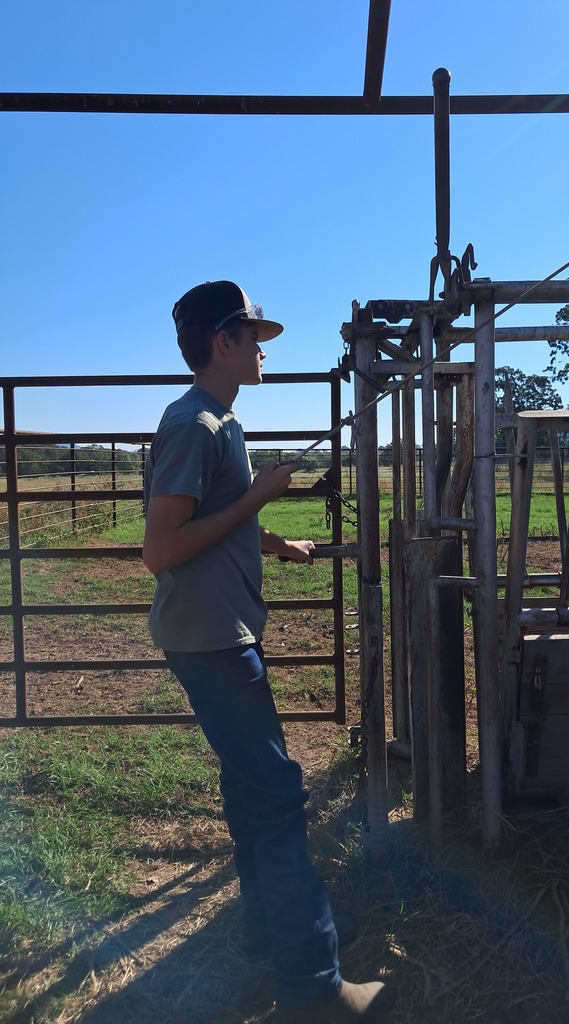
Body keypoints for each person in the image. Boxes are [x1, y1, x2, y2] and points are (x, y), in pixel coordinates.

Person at [142, 281, 390, 1023]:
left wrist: (278, 543)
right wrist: (260, 501)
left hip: (217, 632)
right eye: (255, 338)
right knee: (278, 796)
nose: (262, 350)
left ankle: (264, 936)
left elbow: (214, 513)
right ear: (224, 343)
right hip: (212, 638)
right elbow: (160, 550)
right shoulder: (196, 424)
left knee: (252, 790)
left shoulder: (217, 421)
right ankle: (314, 986)